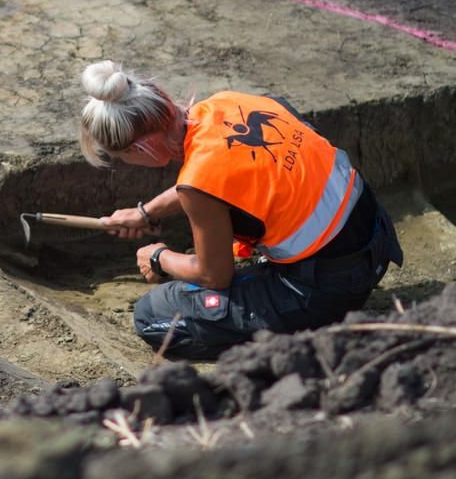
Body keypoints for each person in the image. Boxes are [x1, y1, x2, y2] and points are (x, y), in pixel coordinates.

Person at [77, 59, 403, 361]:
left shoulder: (197, 186)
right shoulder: (228, 103)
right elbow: (219, 175)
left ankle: (296, 341)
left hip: (331, 290)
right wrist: (146, 213)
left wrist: (159, 257)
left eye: (123, 158)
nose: (127, 164)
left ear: (139, 148)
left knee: (152, 315)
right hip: (375, 239)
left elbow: (214, 275)